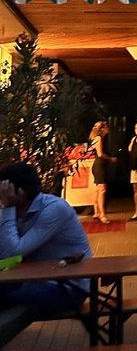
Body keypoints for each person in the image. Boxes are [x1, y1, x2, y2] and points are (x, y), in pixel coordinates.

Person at [0, 162, 92, 316]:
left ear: (20, 192)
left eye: (4, 191)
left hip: (67, 286)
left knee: (12, 299)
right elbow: (4, 255)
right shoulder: (14, 211)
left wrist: (7, 209)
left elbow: (12, 253)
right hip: (32, 279)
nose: (2, 196)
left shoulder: (54, 209)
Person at [88, 120, 116, 224]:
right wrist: (111, 159)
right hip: (99, 166)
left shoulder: (96, 138)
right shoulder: (99, 138)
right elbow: (100, 154)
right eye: (106, 127)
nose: (108, 129)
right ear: (102, 129)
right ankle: (102, 214)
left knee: (98, 190)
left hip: (98, 165)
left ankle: (96, 212)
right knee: (102, 190)